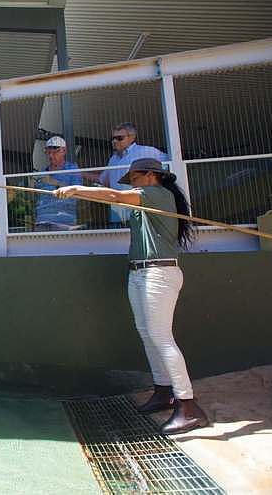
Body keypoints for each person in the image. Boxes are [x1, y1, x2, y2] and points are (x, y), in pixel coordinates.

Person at [56, 158, 209, 435]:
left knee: (161, 337)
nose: (133, 184)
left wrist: (76, 189)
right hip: (140, 272)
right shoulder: (143, 200)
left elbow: (114, 195)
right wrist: (83, 189)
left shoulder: (157, 194)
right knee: (146, 333)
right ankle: (164, 392)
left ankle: (188, 405)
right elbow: (116, 197)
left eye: (135, 179)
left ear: (151, 176)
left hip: (158, 273)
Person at [95, 122, 169, 227]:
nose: (115, 141)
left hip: (140, 211)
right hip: (118, 215)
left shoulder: (147, 151)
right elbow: (103, 180)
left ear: (132, 137)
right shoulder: (113, 159)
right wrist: (79, 173)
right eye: (113, 138)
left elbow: (171, 163)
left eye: (119, 138)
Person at [33, 136, 82, 231]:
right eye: (48, 152)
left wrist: (54, 182)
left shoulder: (73, 170)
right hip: (42, 221)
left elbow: (78, 195)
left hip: (64, 222)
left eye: (55, 152)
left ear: (64, 151)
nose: (51, 156)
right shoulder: (43, 172)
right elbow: (36, 198)